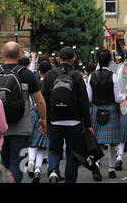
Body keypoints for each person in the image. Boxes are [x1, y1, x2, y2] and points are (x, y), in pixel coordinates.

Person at [0, 42, 47, 183]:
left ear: (3, 54)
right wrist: (43, 119)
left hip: (0, 127)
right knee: (19, 163)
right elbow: (39, 101)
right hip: (22, 128)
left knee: (5, 162)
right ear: (20, 55)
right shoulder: (26, 74)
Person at [41, 46, 92, 183]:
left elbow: (43, 99)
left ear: (58, 58)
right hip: (74, 121)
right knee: (72, 152)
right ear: (73, 59)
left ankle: (53, 171)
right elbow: (84, 102)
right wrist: (88, 124)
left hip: (54, 120)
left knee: (54, 149)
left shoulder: (50, 75)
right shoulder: (77, 76)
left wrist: (43, 119)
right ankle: (70, 180)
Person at [87, 50, 127, 181]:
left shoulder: (91, 76)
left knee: (97, 142)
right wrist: (126, 95)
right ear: (109, 62)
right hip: (111, 110)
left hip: (96, 111)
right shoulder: (114, 76)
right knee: (113, 143)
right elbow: (117, 98)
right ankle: (111, 169)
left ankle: (97, 166)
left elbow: (89, 98)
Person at [27, 61, 54, 183]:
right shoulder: (52, 81)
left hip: (33, 113)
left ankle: (31, 161)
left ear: (39, 71)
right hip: (47, 115)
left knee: (33, 142)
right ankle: (38, 169)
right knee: (43, 145)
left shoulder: (34, 80)